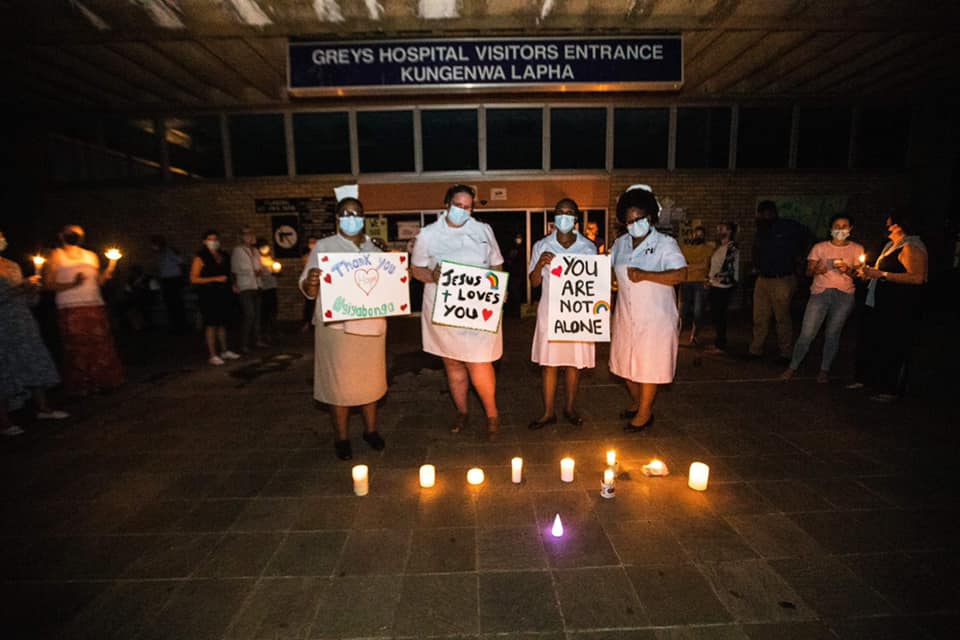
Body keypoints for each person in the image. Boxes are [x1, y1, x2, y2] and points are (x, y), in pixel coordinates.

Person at [410, 184, 504, 439]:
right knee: (452, 363)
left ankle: (492, 414)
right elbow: (416, 269)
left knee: (479, 362)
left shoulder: (483, 230)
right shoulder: (428, 235)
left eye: (467, 206)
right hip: (445, 308)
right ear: (446, 205)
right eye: (458, 205)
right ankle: (462, 411)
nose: (462, 210)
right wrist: (432, 274)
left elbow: (496, 263)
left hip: (478, 307)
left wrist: (498, 290)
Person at [300, 197, 387, 460]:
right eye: (346, 213)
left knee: (370, 380)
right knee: (340, 384)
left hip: (371, 326)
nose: (352, 218)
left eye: (357, 213)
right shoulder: (325, 247)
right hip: (337, 329)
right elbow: (307, 287)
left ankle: (370, 431)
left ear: (364, 217)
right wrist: (313, 281)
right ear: (337, 218)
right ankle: (342, 437)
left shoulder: (375, 248)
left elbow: (388, 285)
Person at [609, 186, 687, 431]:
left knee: (649, 367)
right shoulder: (620, 244)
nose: (633, 224)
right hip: (625, 316)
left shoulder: (665, 243)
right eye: (629, 221)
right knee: (624, 366)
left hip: (656, 318)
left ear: (651, 217)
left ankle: (644, 413)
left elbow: (680, 275)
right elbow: (607, 270)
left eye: (639, 219)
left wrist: (646, 275)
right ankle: (638, 402)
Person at [528, 198, 597, 430]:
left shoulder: (588, 247)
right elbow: (534, 282)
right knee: (549, 364)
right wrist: (539, 264)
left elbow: (594, 283)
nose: (564, 216)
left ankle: (569, 407)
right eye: (560, 212)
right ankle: (548, 412)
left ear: (576, 218)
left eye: (569, 212)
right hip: (550, 312)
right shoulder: (541, 245)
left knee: (573, 364)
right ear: (554, 216)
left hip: (577, 313)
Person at [850, 211, 928, 401]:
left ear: (899, 226)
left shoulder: (911, 246)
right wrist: (867, 273)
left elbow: (918, 278)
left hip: (899, 305)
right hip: (881, 302)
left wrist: (883, 275)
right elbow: (882, 271)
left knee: (894, 344)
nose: (887, 227)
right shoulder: (891, 245)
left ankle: (891, 388)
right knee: (875, 341)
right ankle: (869, 379)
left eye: (890, 224)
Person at [0, 229, 69, 436]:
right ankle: (4, 421)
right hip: (3, 325)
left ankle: (43, 408)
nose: (2, 240)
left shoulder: (12, 265)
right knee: (6, 370)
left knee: (33, 361)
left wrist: (33, 290)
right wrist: (18, 289)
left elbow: (30, 301)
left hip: (23, 322)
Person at [782, 214, 864, 383]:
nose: (840, 229)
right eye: (837, 225)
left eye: (844, 226)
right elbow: (808, 271)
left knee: (833, 333)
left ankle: (824, 370)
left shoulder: (856, 249)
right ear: (830, 228)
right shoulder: (820, 247)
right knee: (807, 333)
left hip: (844, 295)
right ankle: (793, 366)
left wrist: (847, 269)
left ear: (850, 229)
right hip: (820, 293)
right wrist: (817, 270)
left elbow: (860, 275)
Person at [43, 224, 123, 396]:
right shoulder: (56, 256)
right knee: (78, 348)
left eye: (79, 233)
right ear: (61, 235)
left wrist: (109, 270)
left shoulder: (91, 256)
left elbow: (99, 281)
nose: (75, 236)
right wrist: (72, 284)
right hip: (70, 307)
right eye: (71, 233)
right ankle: (83, 385)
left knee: (100, 345)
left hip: (94, 304)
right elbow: (47, 284)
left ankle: (104, 381)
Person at [750, 201, 808, 362]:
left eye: (763, 213)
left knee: (781, 317)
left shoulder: (787, 227)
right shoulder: (761, 230)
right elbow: (756, 250)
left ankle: (786, 352)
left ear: (771, 213)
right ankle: (756, 349)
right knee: (759, 317)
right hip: (763, 278)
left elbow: (806, 237)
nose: (760, 217)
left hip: (781, 278)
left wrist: (800, 260)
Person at [189, 230, 239, 366]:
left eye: (215, 239)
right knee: (211, 324)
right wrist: (214, 279)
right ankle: (212, 354)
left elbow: (228, 273)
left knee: (222, 323)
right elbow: (193, 278)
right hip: (208, 294)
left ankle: (224, 350)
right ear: (204, 241)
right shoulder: (200, 257)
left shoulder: (223, 255)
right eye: (210, 239)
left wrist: (233, 284)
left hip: (223, 293)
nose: (213, 242)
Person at [705, 222, 740, 353]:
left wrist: (711, 279)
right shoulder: (721, 247)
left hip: (722, 286)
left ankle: (721, 344)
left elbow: (727, 269)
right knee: (716, 315)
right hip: (716, 284)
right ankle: (719, 342)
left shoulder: (731, 247)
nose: (718, 230)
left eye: (722, 228)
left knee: (719, 315)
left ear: (730, 231)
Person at [679, 226, 714, 345]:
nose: (698, 236)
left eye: (700, 234)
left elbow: (704, 266)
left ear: (704, 236)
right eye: (696, 234)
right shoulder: (685, 249)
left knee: (698, 311)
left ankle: (694, 335)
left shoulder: (708, 249)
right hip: (686, 281)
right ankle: (677, 333)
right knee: (682, 310)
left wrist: (690, 266)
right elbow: (682, 264)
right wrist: (696, 265)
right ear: (692, 235)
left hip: (700, 282)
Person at [231, 226, 264, 352]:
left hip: (257, 285)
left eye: (251, 234)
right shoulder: (238, 250)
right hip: (245, 286)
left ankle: (257, 339)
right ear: (241, 236)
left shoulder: (255, 251)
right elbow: (234, 269)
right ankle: (243, 343)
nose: (250, 236)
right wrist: (234, 284)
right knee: (249, 314)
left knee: (257, 315)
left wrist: (260, 272)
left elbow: (260, 265)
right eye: (246, 234)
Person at [150, 235, 187, 334]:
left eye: (155, 243)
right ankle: (175, 325)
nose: (154, 246)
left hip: (174, 280)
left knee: (177, 303)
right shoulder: (159, 254)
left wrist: (183, 278)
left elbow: (181, 262)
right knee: (170, 304)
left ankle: (182, 326)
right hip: (166, 281)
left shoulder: (169, 252)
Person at [256, 239, 279, 344]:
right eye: (263, 246)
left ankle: (272, 331)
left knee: (273, 310)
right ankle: (263, 334)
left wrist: (277, 271)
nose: (265, 248)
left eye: (266, 246)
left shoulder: (270, 258)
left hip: (272, 286)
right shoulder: (257, 259)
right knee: (264, 312)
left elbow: (275, 270)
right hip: (264, 288)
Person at [300, 236, 318, 332]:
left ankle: (315, 323)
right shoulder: (306, 255)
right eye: (311, 242)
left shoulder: (320, 254)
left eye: (314, 242)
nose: (312, 244)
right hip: (309, 282)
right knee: (309, 304)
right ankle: (307, 323)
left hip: (319, 283)